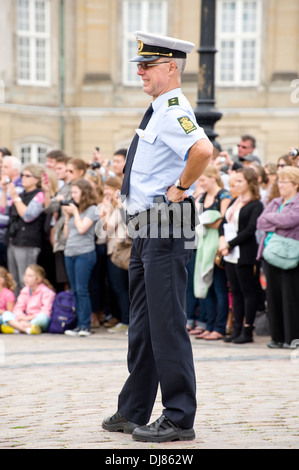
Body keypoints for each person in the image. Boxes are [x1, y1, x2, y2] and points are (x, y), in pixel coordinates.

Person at [102, 31, 212, 443]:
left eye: (148, 66)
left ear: (171, 68)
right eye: (140, 66)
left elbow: (202, 151)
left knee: (166, 325)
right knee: (144, 324)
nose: (141, 72)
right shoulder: (157, 110)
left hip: (165, 222)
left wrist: (181, 186)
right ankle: (133, 410)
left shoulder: (172, 110)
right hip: (148, 225)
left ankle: (180, 417)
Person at [218, 167, 264, 343]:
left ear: (250, 183)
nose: (235, 184)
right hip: (229, 253)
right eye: (235, 181)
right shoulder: (235, 201)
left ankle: (247, 329)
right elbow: (223, 222)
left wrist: (229, 244)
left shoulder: (256, 204)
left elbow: (250, 230)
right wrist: (222, 241)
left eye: (239, 181)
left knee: (247, 291)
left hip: (244, 252)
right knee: (235, 291)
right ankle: (236, 328)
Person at [256, 166, 299, 349]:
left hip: (289, 255)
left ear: (295, 184)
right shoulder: (275, 202)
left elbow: (292, 220)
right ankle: (277, 337)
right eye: (279, 181)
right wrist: (278, 222)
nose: (280, 185)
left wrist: (273, 222)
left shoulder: (296, 201)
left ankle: (292, 338)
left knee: (290, 297)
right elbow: (260, 222)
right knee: (273, 297)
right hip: (269, 254)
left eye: (284, 182)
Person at [194, 165, 232, 340]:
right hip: (202, 245)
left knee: (219, 287)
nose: (200, 183)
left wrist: (201, 221)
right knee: (205, 285)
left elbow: (221, 221)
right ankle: (209, 325)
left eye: (202, 179)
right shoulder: (202, 196)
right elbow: (192, 218)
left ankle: (219, 327)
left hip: (217, 244)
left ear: (213, 178)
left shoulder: (223, 195)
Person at [62, 179, 100, 337]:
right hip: (69, 252)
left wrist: (75, 213)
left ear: (84, 193)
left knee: (83, 290)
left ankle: (85, 325)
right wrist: (66, 218)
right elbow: (67, 235)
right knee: (75, 290)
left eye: (75, 192)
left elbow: (83, 229)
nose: (72, 196)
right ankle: (78, 324)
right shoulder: (74, 211)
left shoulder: (92, 209)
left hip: (85, 253)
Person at [3, 164, 46, 296]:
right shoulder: (22, 194)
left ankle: (29, 309)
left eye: (28, 176)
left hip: (28, 242)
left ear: (37, 179)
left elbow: (28, 216)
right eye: (22, 175)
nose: (23, 178)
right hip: (14, 239)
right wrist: (5, 191)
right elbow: (4, 209)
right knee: (14, 280)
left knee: (26, 280)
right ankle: (17, 309)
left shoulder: (39, 195)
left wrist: (15, 196)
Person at [97, 177, 130, 333]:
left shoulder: (120, 207)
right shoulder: (121, 206)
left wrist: (106, 212)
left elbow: (107, 229)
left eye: (108, 189)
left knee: (120, 287)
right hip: (116, 250)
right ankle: (124, 319)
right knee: (119, 287)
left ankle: (126, 320)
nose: (106, 193)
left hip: (119, 251)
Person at [0, 264, 55, 335]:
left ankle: (18, 328)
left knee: (43, 318)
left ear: (38, 279)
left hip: (36, 319)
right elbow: (17, 309)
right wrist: (22, 317)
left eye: (30, 276)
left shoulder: (47, 292)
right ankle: (27, 329)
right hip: (25, 319)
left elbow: (46, 311)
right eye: (25, 275)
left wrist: (29, 318)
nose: (26, 278)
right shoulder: (25, 291)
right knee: (7, 314)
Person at [0, 156, 23, 267]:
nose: (2, 169)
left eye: (6, 166)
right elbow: (3, 209)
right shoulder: (3, 185)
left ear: (15, 170)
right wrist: (4, 191)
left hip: (11, 233)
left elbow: (9, 209)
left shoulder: (21, 186)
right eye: (2, 166)